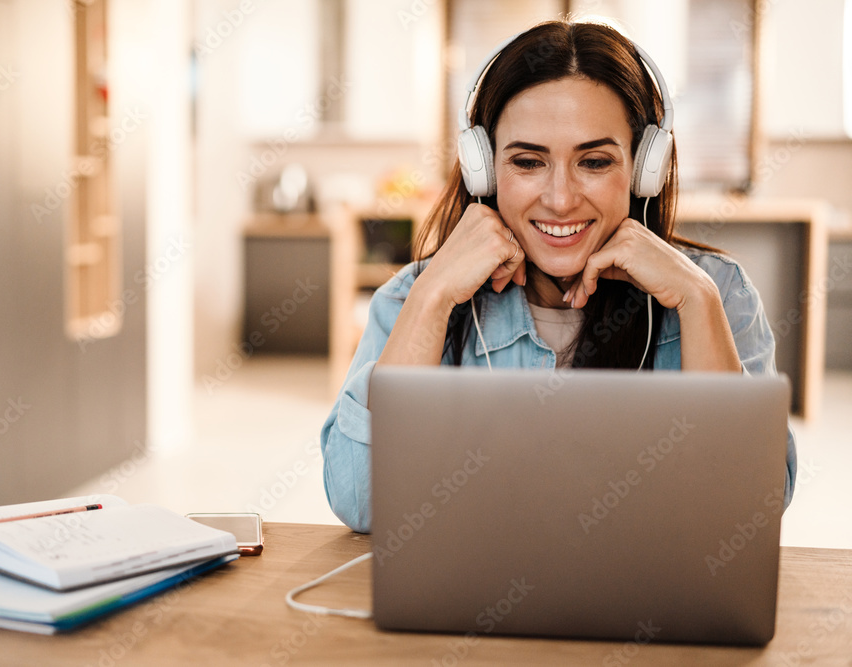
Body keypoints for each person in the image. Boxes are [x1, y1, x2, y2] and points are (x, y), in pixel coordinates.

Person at [320, 20, 797, 533]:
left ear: (644, 170)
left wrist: (697, 303)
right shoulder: (414, 297)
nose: (561, 199)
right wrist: (431, 297)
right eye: (528, 162)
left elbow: (746, 511)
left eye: (594, 161)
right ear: (484, 170)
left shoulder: (717, 293)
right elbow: (362, 503)